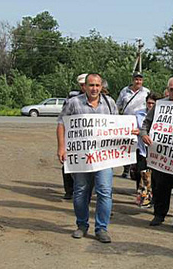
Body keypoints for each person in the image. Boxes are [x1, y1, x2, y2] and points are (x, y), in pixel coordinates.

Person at [56, 73, 118, 243]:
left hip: (104, 156)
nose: (94, 89)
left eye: (97, 85)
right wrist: (61, 147)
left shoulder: (109, 102)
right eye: (91, 85)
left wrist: (130, 132)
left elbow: (118, 126)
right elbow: (61, 123)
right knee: (81, 191)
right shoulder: (74, 102)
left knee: (104, 191)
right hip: (81, 156)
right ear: (85, 86)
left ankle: (101, 228)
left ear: (101, 86)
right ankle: (82, 225)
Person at [140, 77, 173, 231]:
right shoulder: (159, 104)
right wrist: (144, 135)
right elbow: (146, 123)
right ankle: (159, 214)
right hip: (162, 157)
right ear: (167, 90)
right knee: (160, 188)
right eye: (172, 89)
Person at [116, 72, 150, 178]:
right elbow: (118, 105)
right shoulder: (124, 91)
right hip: (127, 122)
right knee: (127, 145)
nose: (138, 81)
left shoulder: (146, 92)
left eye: (140, 79)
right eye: (136, 79)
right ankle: (126, 169)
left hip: (140, 122)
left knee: (140, 147)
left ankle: (136, 169)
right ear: (132, 80)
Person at [61, 73, 88, 200]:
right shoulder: (72, 97)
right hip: (73, 136)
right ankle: (69, 190)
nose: (84, 87)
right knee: (68, 162)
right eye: (82, 85)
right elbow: (63, 118)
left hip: (90, 138)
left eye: (85, 84)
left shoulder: (103, 99)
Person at [133, 93, 158, 195]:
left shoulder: (160, 114)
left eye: (153, 103)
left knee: (153, 175)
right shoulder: (138, 114)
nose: (150, 105)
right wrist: (138, 132)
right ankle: (143, 195)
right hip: (141, 148)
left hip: (154, 149)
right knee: (141, 172)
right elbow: (134, 126)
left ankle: (151, 196)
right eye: (149, 103)